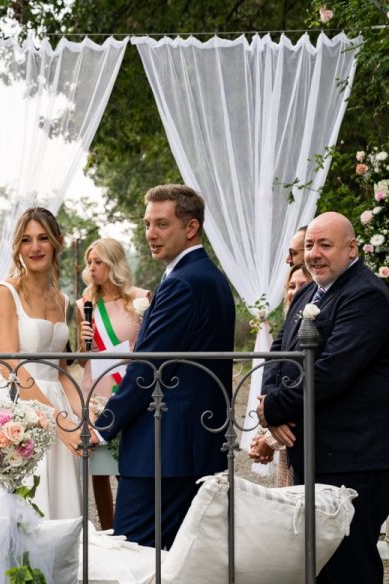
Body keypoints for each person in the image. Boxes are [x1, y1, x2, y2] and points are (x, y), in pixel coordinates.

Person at [257, 211, 389, 584]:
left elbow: (333, 371)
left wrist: (275, 406)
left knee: (349, 563)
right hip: (321, 453)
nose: (314, 254)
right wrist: (268, 403)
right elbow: (280, 351)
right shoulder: (309, 292)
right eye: (309, 245)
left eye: (325, 245)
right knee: (319, 564)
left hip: (360, 455)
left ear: (351, 248)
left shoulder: (366, 295)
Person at [94, 184, 235, 549]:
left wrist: (102, 426)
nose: (150, 235)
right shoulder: (206, 276)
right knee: (181, 561)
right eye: (147, 224)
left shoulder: (185, 282)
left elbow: (150, 367)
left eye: (161, 224)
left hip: (166, 449)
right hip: (192, 445)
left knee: (133, 554)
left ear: (190, 228)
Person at [0, 207, 83, 537]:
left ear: (56, 243)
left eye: (42, 238)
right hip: (16, 406)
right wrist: (58, 422)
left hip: (55, 402)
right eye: (26, 240)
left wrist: (78, 416)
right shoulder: (4, 293)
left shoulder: (64, 300)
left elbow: (62, 370)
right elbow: (12, 366)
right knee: (15, 505)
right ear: (17, 247)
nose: (35, 247)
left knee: (55, 505)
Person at [75, 238, 150, 531]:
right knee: (98, 465)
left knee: (128, 461)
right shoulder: (85, 305)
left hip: (129, 388)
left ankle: (130, 525)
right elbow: (82, 361)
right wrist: (83, 343)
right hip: (96, 390)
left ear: (114, 263)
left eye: (98, 262)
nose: (91, 268)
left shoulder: (141, 299)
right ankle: (108, 527)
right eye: (89, 262)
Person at [248, 262, 313, 484]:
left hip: (303, 435)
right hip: (280, 421)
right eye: (291, 286)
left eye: (303, 285)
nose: (295, 291)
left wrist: (268, 438)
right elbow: (272, 364)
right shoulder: (288, 324)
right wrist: (269, 418)